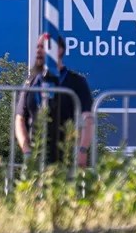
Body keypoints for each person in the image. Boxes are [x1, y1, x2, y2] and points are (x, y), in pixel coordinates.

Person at [15, 33, 94, 167]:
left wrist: (82, 150)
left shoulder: (76, 82)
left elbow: (88, 119)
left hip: (66, 158)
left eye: (43, 47)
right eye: (37, 47)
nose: (38, 50)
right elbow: (20, 119)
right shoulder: (31, 83)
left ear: (59, 50)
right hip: (36, 158)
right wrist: (26, 151)